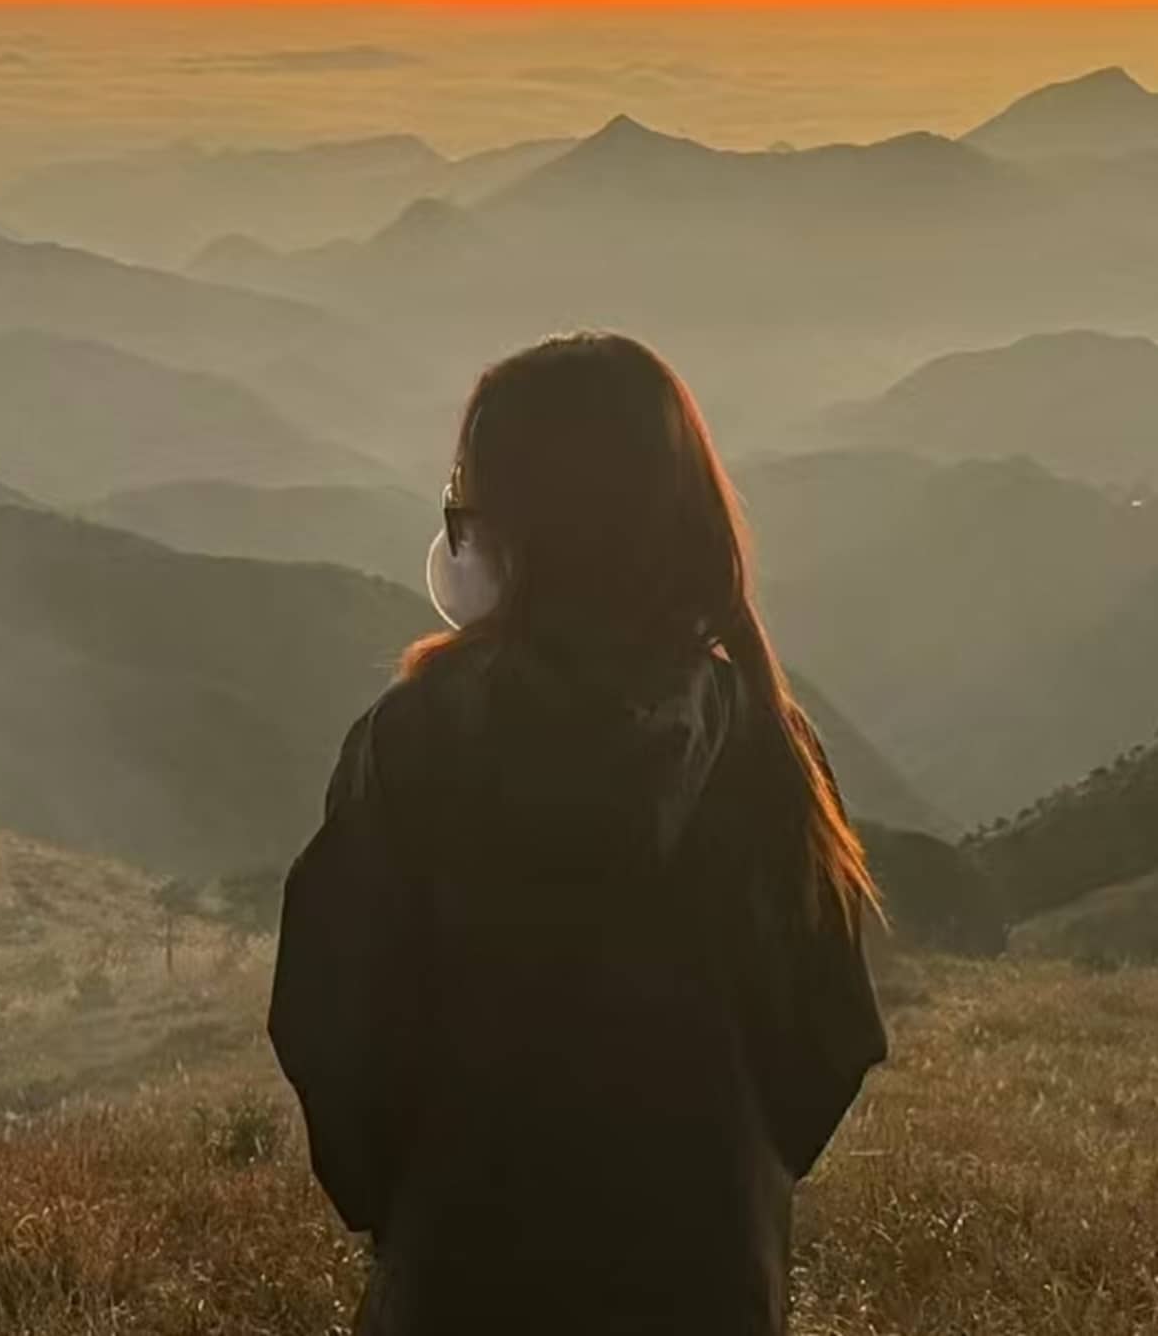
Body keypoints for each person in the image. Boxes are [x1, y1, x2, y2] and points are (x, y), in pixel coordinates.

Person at [268, 332, 887, 1336]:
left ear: (506, 525)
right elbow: (829, 1038)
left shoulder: (415, 741)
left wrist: (410, 1206)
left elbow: (334, 1022)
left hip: (464, 1277)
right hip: (707, 1283)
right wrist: (720, 1185)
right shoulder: (764, 743)